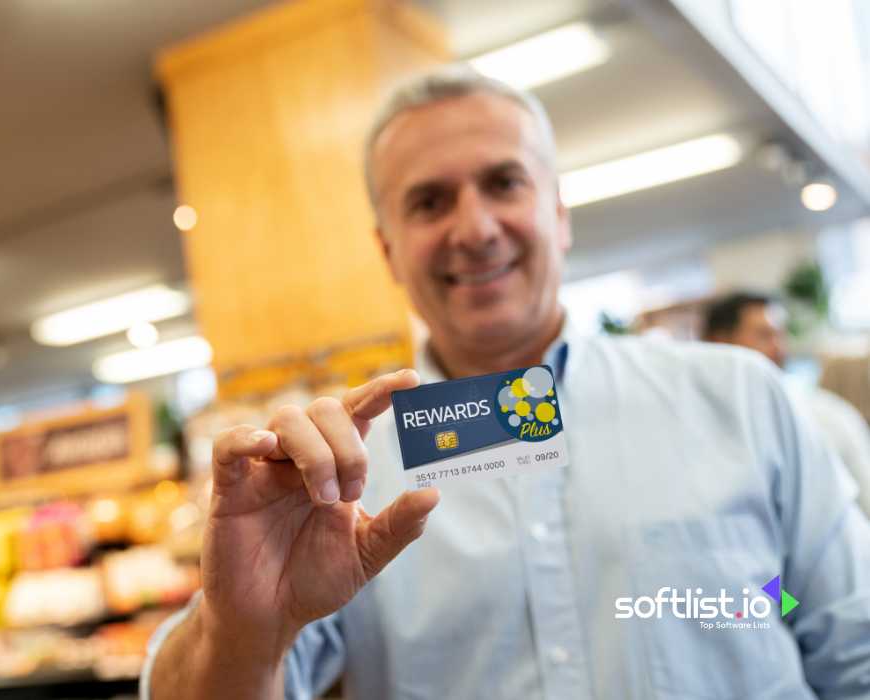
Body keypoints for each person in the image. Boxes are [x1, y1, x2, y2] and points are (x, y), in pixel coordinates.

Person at [143, 67, 870, 699]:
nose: (475, 227)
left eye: (504, 183)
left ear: (558, 211)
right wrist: (238, 630)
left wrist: (755, 601)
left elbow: (849, 644)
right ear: (388, 250)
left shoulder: (740, 398)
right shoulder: (336, 481)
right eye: (429, 202)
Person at [704, 291, 870, 518]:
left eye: (780, 335)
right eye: (764, 336)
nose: (779, 348)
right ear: (719, 341)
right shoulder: (701, 426)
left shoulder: (829, 417)